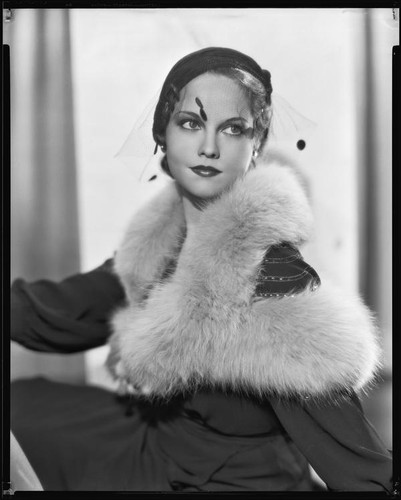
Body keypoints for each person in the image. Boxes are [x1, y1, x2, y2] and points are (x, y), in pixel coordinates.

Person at [10, 47, 392, 492]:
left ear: (255, 149)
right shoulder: (161, 239)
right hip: (161, 445)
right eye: (191, 123)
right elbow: (60, 310)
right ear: (163, 136)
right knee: (22, 404)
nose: (209, 147)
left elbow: (357, 460)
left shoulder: (271, 279)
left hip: (235, 481)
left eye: (233, 129)